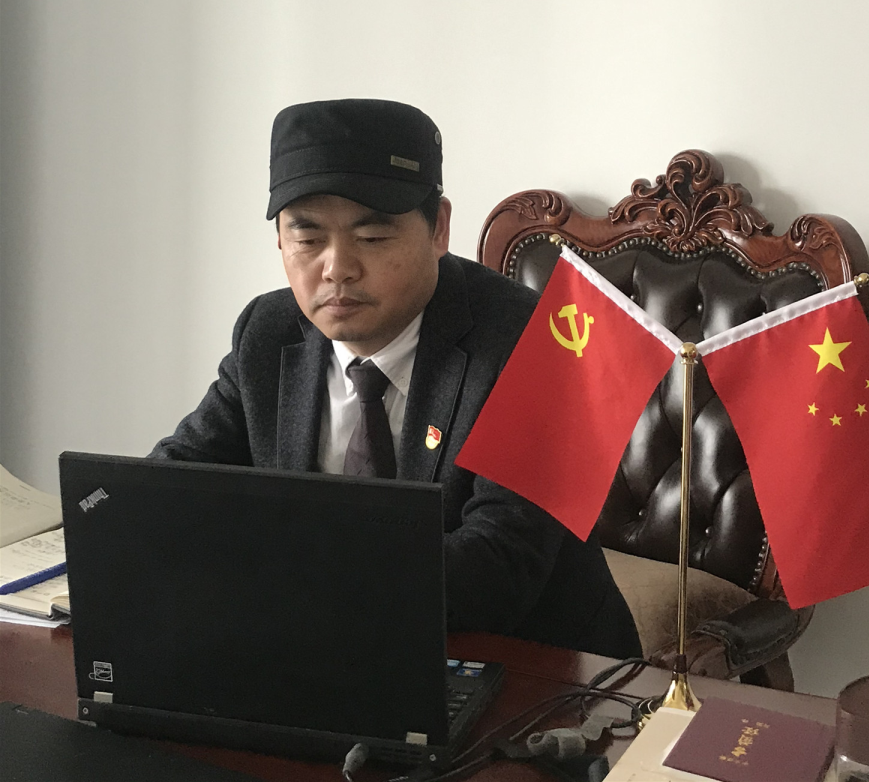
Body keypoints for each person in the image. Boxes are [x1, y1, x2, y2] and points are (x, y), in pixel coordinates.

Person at [151, 98, 640, 658]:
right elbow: (170, 487)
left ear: (438, 229)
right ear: (281, 239)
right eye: (307, 238)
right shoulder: (267, 332)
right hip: (323, 654)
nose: (337, 268)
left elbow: (497, 568)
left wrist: (282, 573)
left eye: (373, 237)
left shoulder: (536, 341)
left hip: (533, 667)